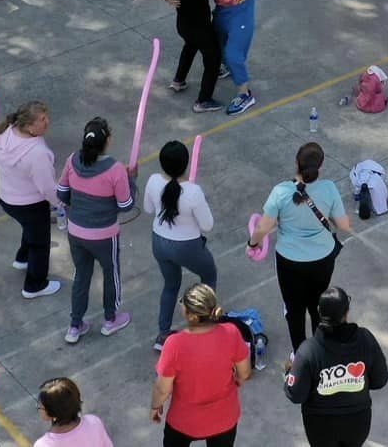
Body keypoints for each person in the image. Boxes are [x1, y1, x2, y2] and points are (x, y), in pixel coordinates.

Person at [250, 141, 352, 353]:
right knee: (318, 307)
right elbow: (343, 225)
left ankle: (300, 353)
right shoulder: (329, 188)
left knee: (294, 310)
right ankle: (318, 349)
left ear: (296, 163)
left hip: (290, 262)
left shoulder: (281, 192)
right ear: (320, 166)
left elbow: (263, 227)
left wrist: (252, 243)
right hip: (323, 259)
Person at [55, 117, 134, 343]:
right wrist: (131, 180)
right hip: (104, 235)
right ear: (107, 140)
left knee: (81, 275)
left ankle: (75, 325)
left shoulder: (72, 160)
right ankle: (110, 319)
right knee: (111, 273)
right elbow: (126, 205)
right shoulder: (116, 169)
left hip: (76, 231)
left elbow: (62, 193)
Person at [283, 285, 388, 446]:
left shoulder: (308, 350)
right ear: (346, 313)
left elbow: (296, 394)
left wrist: (290, 372)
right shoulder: (365, 339)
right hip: (358, 423)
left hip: (320, 427)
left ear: (319, 312)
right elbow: (380, 380)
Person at [151, 283, 252, 446]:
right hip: (224, 418)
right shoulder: (231, 333)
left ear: (191, 316)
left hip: (184, 422)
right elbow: (245, 373)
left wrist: (156, 406)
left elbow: (162, 388)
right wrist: (238, 380)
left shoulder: (174, 344)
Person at [148, 140, 218, 347]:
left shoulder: (153, 181)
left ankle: (163, 335)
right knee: (209, 276)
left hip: (159, 241)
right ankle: (204, 325)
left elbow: (148, 209)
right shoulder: (193, 191)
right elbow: (207, 225)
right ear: (185, 163)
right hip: (187, 246)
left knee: (170, 285)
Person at [0, 101, 63, 299]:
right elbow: (47, 188)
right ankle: (35, 285)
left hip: (7, 199)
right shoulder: (37, 154)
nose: (47, 122)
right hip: (30, 205)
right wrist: (61, 203)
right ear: (30, 126)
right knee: (40, 243)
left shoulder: (6, 133)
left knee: (29, 229)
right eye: (42, 119)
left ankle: (22, 258)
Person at [200, 0, 261, 114]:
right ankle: (226, 66)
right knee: (217, 45)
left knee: (234, 54)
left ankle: (245, 94)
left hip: (241, 9)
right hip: (220, 10)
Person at [166, 0, 234, 112]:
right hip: (200, 29)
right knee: (213, 60)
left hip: (183, 26)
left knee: (189, 47)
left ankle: (178, 80)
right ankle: (203, 100)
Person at [36, 377, 113, 447]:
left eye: (40, 407)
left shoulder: (43, 445)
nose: (37, 407)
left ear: (52, 412)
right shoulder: (93, 422)